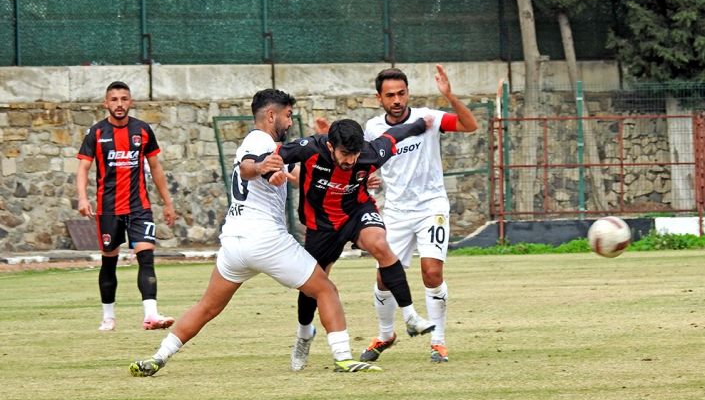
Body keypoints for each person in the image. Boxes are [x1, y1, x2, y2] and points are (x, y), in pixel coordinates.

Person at [129, 89, 381, 377]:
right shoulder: (259, 139)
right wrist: (261, 167)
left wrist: (353, 180)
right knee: (326, 290)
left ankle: (159, 357)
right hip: (265, 239)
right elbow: (250, 166)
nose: (289, 123)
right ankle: (343, 357)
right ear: (271, 115)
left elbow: (291, 177)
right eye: (287, 116)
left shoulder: (268, 148)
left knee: (207, 307)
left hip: (235, 242)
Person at [276, 116, 436, 371]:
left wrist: (420, 124)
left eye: (355, 154)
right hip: (321, 225)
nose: (351, 160)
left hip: (356, 212)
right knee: (311, 286)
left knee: (381, 245)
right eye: (345, 154)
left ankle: (410, 316)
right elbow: (273, 154)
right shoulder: (308, 148)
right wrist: (267, 168)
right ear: (330, 146)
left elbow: (396, 134)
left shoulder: (370, 153)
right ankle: (304, 334)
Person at [361, 65, 478, 363]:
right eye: (390, 95)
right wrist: (367, 178)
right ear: (379, 98)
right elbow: (367, 164)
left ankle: (438, 342)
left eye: (401, 93)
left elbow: (469, 125)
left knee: (432, 272)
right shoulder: (373, 128)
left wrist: (449, 96)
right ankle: (386, 335)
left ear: (408, 93)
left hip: (431, 208)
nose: (397, 100)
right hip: (397, 212)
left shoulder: (428, 118)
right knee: (384, 279)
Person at [76, 81, 177, 332]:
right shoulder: (97, 133)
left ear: (130, 102)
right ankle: (108, 317)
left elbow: (155, 168)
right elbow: (83, 168)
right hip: (108, 210)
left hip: (139, 207)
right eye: (114, 99)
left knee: (146, 257)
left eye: (124, 99)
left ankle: (151, 315)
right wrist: (82, 198)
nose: (119, 104)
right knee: (109, 262)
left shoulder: (142, 130)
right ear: (106, 103)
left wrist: (168, 203)